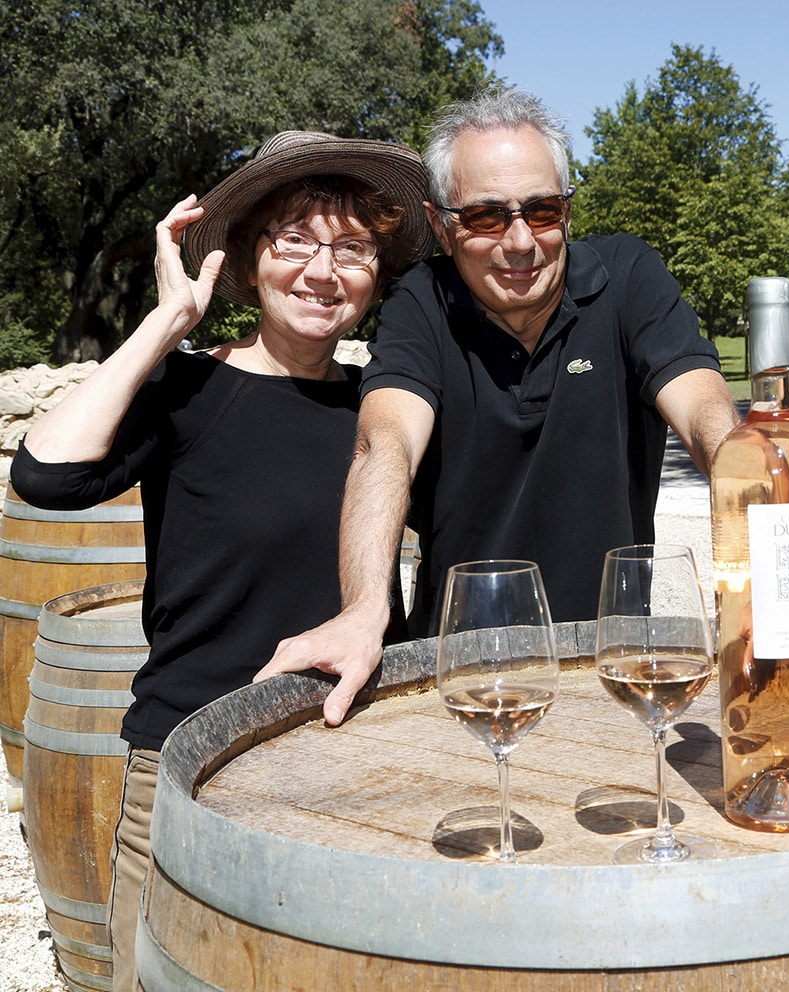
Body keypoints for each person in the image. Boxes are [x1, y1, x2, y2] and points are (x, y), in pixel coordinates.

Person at [10, 130, 433, 992]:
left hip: (354, 765)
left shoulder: (385, 411)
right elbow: (45, 477)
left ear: (379, 274)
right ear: (246, 258)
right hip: (189, 767)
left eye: (353, 248)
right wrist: (167, 323)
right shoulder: (187, 391)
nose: (324, 271)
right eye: (295, 241)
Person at [254, 89, 747, 713]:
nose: (520, 242)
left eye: (541, 211)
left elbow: (711, 426)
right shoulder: (422, 300)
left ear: (566, 210)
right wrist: (363, 613)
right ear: (441, 225)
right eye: (487, 217)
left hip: (615, 673)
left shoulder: (626, 277)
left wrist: (784, 575)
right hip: (461, 682)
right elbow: (386, 444)